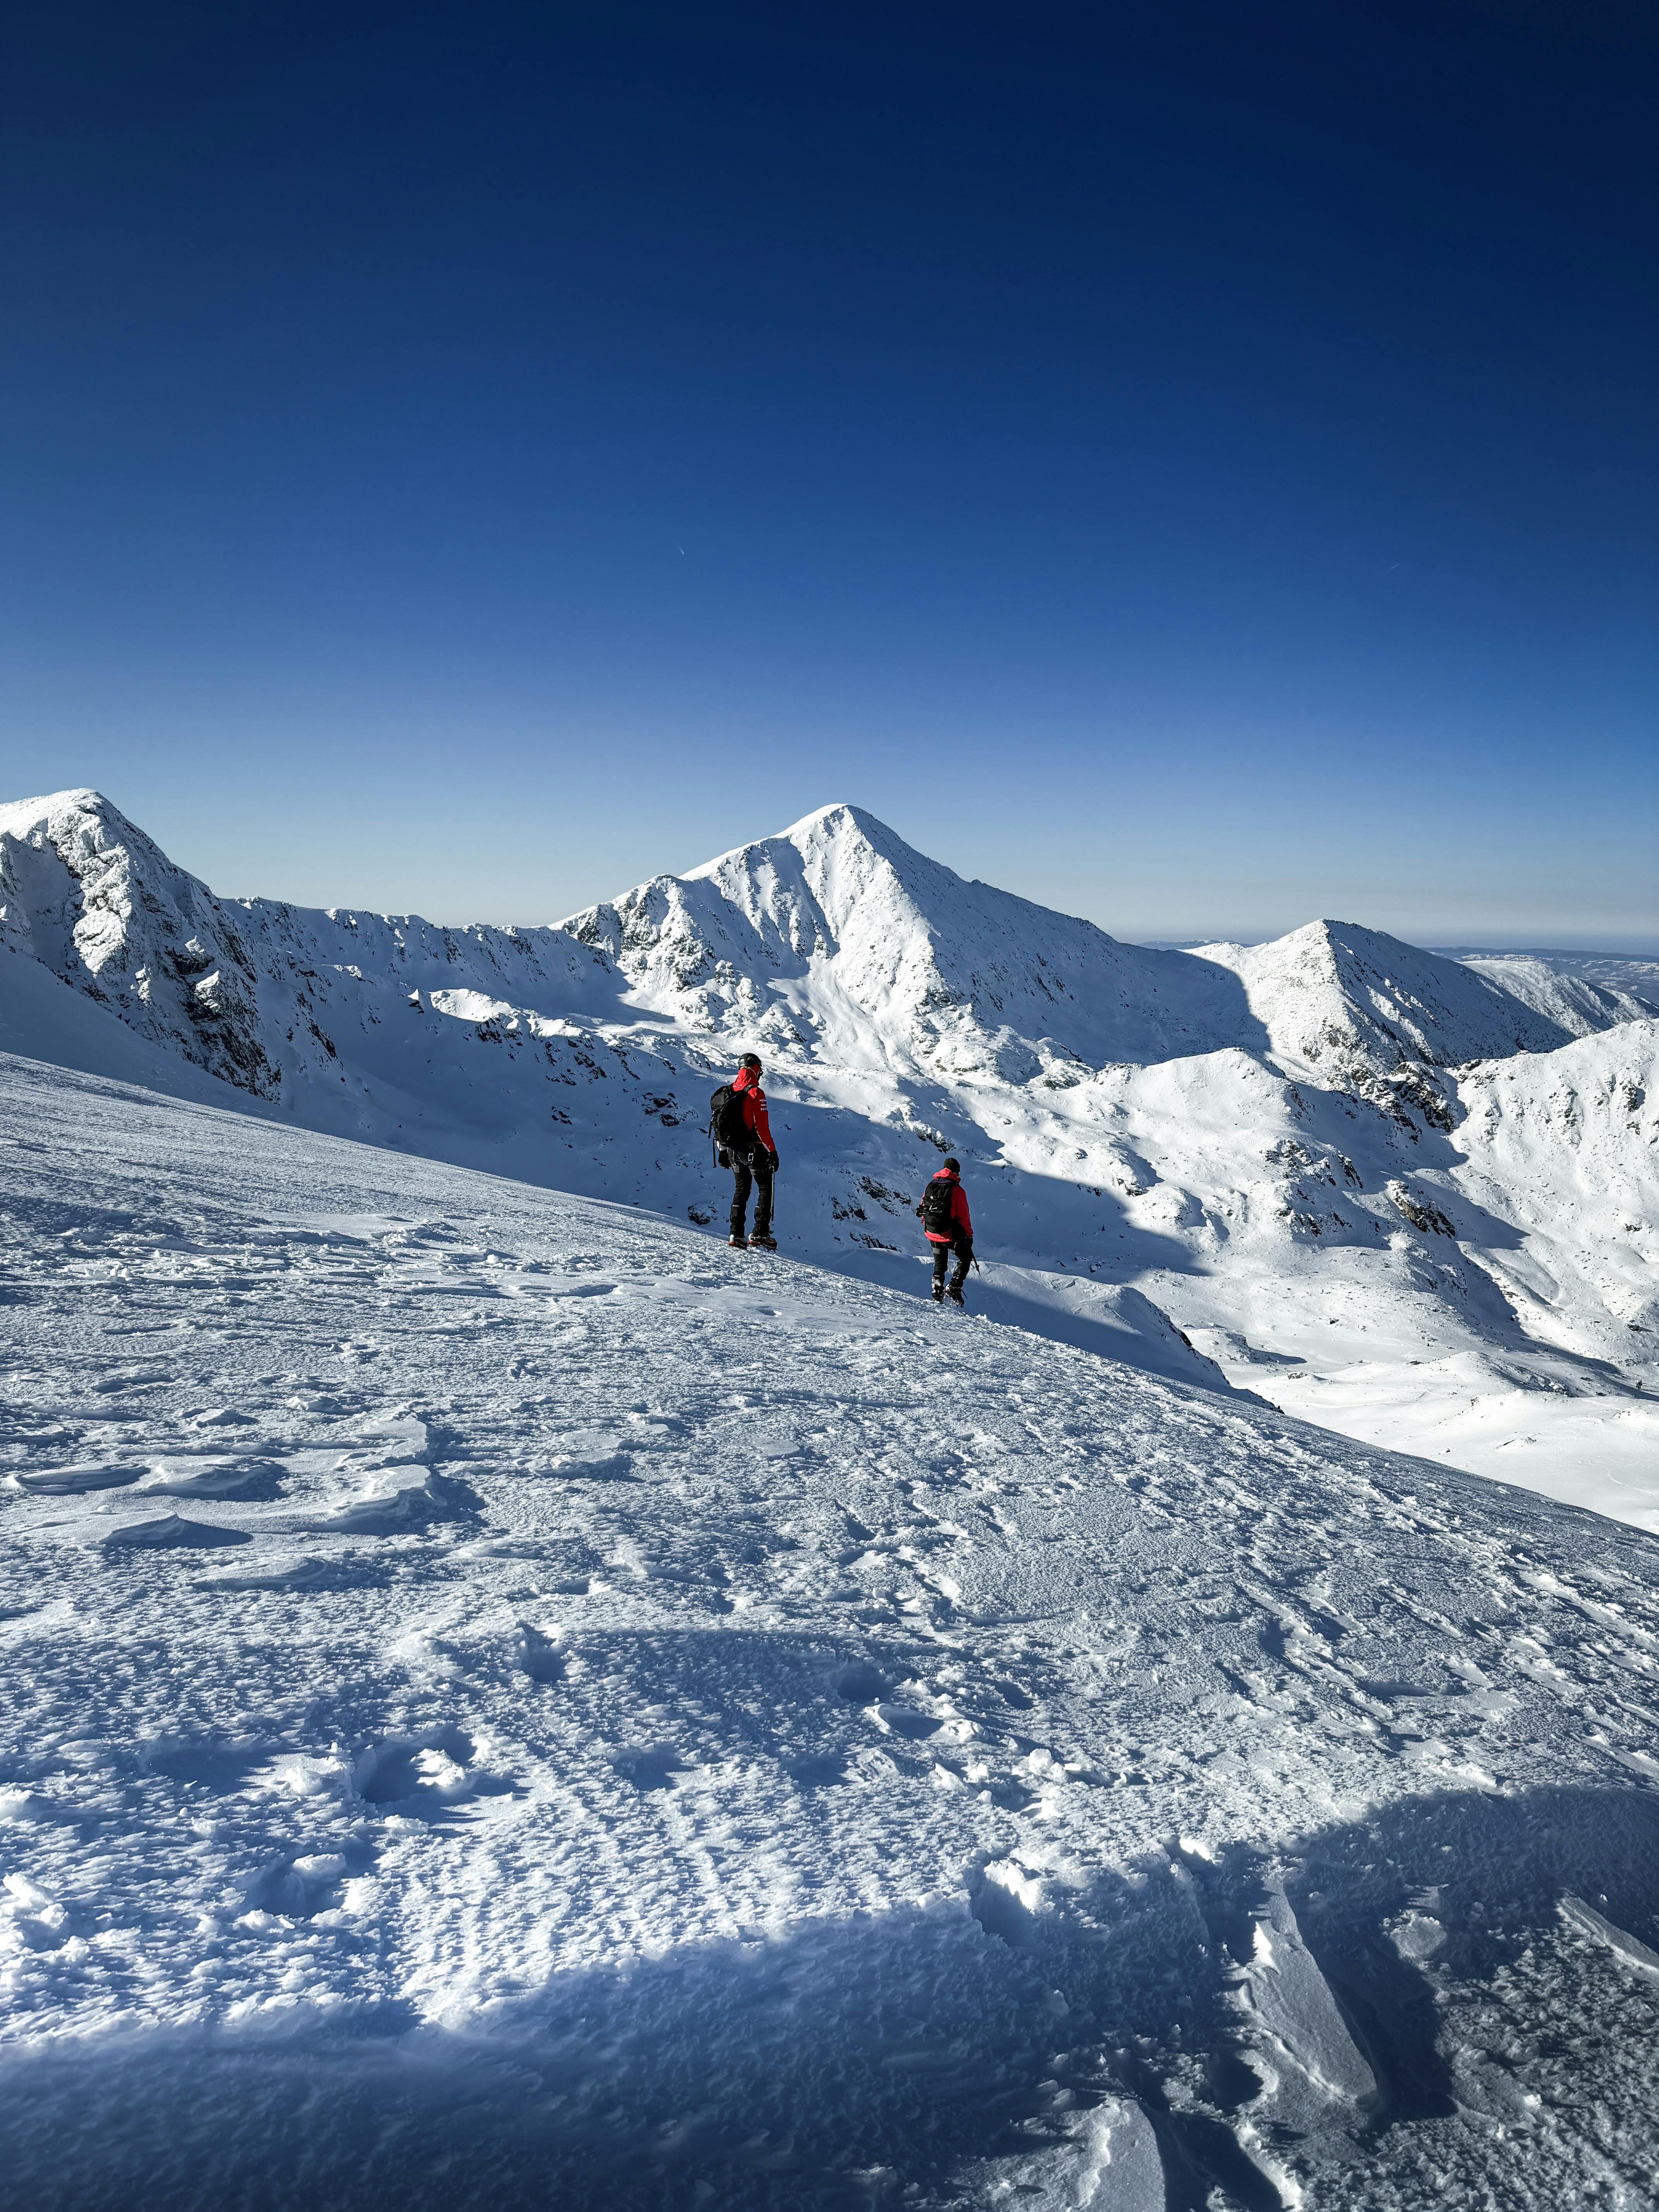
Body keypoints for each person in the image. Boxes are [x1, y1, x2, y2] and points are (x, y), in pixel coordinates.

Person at [726, 1053, 779, 1249]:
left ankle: (736, 1235)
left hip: (733, 1151)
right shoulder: (756, 1093)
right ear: (756, 1069)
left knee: (741, 1190)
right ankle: (760, 1234)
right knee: (765, 1189)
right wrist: (773, 1152)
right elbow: (762, 1129)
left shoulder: (730, 1091)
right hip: (755, 1150)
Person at [917, 1156, 973, 1304]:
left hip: (932, 1233)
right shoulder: (957, 1190)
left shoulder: (931, 1186)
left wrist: (928, 1227)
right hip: (950, 1234)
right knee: (965, 1258)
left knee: (940, 1265)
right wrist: (969, 1235)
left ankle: (937, 1295)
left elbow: (923, 1208)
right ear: (956, 1172)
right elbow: (964, 1216)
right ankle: (954, 1287)